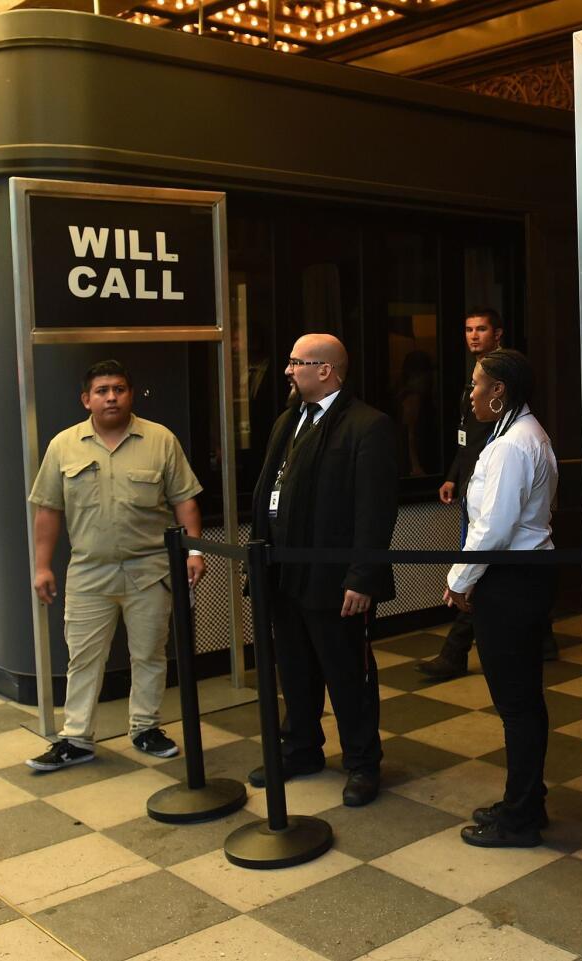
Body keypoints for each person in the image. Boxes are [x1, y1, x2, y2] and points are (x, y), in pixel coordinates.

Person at [26, 360, 205, 771]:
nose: (111, 396)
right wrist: (42, 566)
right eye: (102, 390)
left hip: (150, 572)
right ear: (86, 399)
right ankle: (76, 738)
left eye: (119, 389)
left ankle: (145, 728)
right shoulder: (63, 446)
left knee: (150, 654)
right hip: (89, 573)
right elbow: (48, 511)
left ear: (130, 394)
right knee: (84, 659)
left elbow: (184, 501)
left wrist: (195, 552)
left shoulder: (160, 440)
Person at [249, 333, 398, 808]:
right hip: (285, 574)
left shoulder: (366, 425)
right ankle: (301, 748)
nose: (288, 371)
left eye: (297, 363)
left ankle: (361, 762)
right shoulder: (288, 420)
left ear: (326, 371)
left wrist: (362, 577)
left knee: (347, 674)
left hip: (334, 582)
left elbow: (374, 512)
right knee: (293, 668)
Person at [444, 349, 558, 848]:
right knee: (524, 701)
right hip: (525, 576)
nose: (470, 394)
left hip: (511, 580)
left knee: (516, 705)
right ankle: (525, 800)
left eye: (476, 384)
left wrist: (459, 580)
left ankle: (520, 819)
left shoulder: (513, 444)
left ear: (499, 390)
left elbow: (493, 528)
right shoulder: (524, 434)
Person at [417, 309, 501, 681]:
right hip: (469, 486)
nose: (473, 336)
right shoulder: (471, 380)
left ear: (497, 334)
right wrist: (452, 476)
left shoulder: (500, 379)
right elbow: (464, 438)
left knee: (475, 566)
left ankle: (455, 651)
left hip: (490, 488)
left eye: (480, 329)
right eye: (468, 329)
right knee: (480, 565)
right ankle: (541, 637)